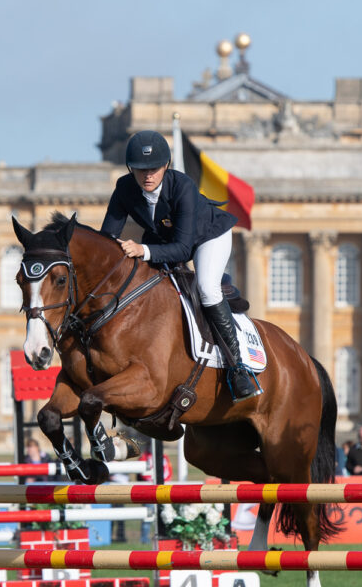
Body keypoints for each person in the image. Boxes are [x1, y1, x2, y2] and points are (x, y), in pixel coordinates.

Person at [99, 130, 260, 402]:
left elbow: (184, 249)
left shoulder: (182, 185)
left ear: (166, 166)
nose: (147, 176)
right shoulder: (124, 188)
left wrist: (142, 250)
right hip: (164, 239)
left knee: (207, 288)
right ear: (130, 169)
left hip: (207, 237)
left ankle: (237, 368)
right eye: (140, 170)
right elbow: (107, 238)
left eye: (153, 169)